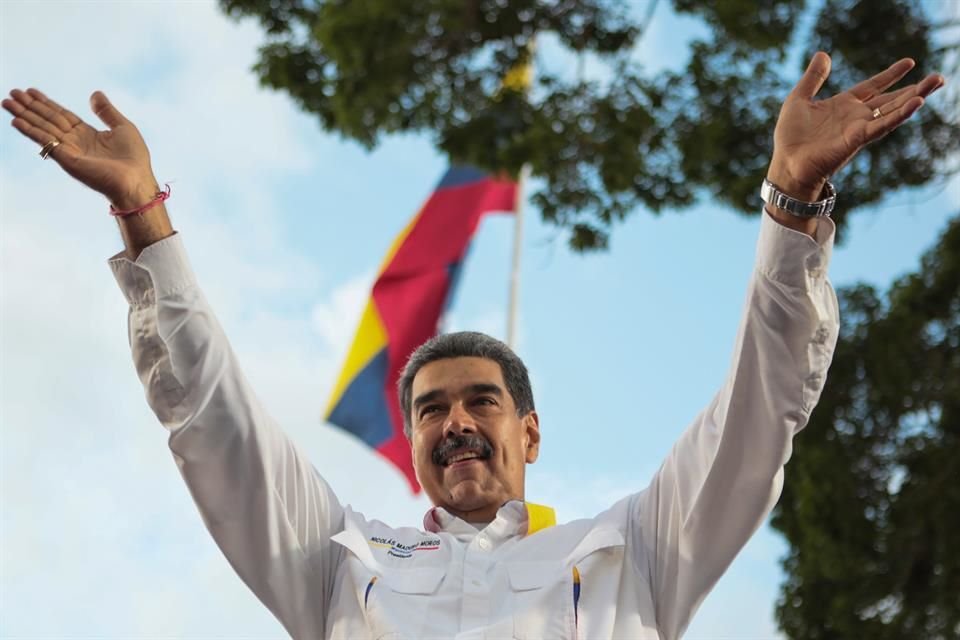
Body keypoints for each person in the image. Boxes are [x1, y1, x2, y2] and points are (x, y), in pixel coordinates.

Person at [3, 52, 945, 639]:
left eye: (480, 402)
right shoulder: (337, 562)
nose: (454, 423)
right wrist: (144, 217)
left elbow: (763, 403)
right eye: (430, 409)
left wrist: (790, 200)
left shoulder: (634, 554)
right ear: (410, 441)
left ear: (532, 433)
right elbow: (215, 424)